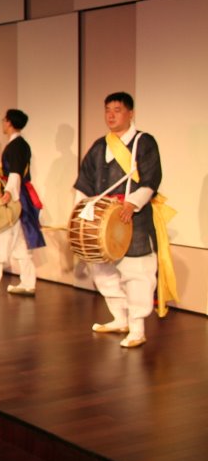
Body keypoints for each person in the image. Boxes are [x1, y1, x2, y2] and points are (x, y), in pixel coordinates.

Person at [76, 92, 174, 349]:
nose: (111, 115)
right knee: (102, 271)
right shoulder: (100, 145)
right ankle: (120, 318)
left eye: (117, 110)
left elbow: (151, 179)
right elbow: (85, 181)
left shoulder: (144, 142)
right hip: (102, 220)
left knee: (136, 272)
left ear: (131, 113)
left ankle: (137, 328)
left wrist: (132, 203)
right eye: (107, 110)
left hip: (133, 217)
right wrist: (81, 212)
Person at [0, 109, 45, 297]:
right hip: (20, 195)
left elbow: (15, 173)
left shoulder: (16, 146)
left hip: (15, 196)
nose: (3, 123)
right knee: (20, 241)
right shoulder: (20, 144)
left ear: (9, 122)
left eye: (4, 120)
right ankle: (28, 282)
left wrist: (8, 193)